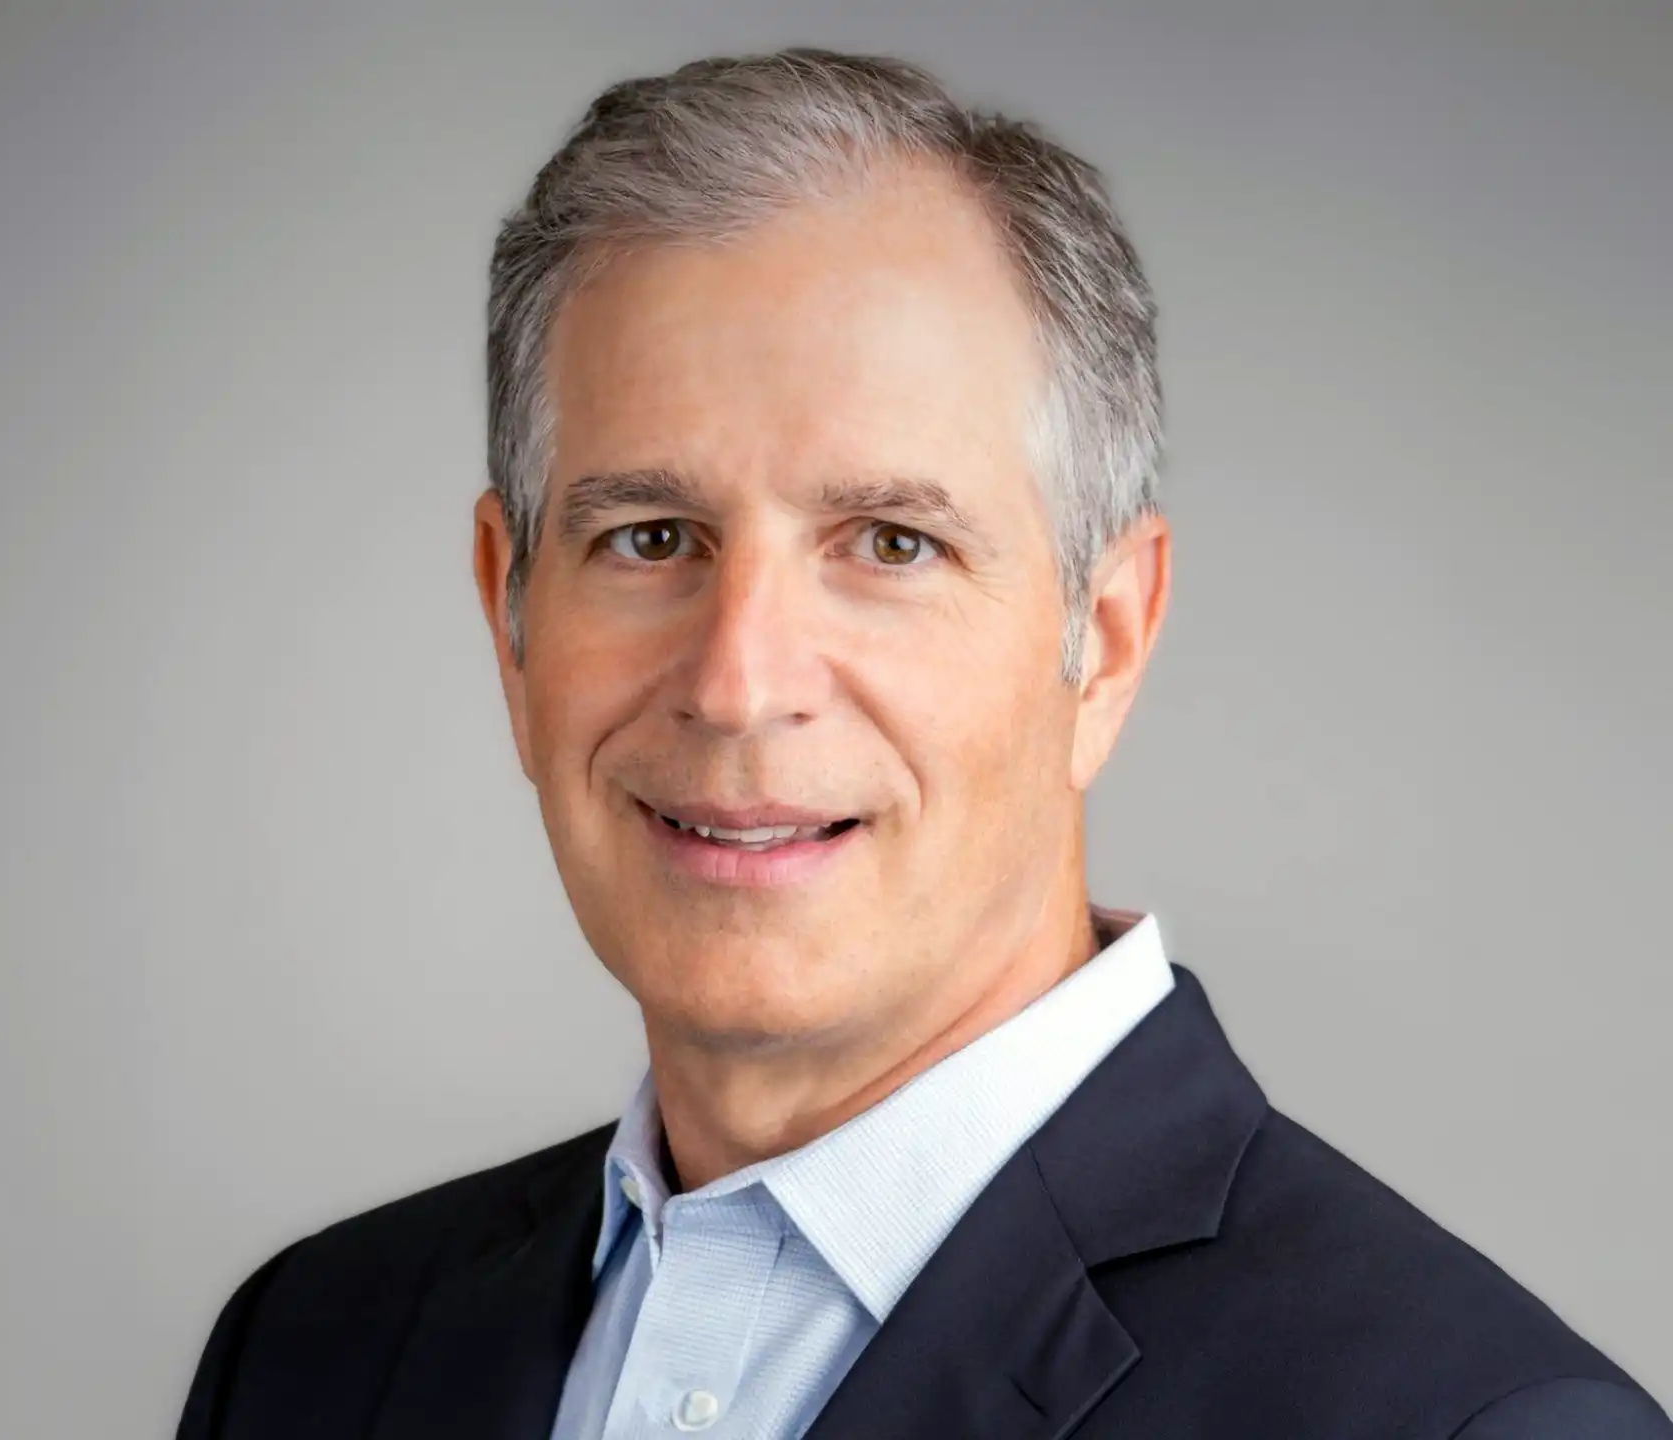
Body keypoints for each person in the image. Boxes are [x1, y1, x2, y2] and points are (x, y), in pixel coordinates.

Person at [175, 46, 1668, 1440]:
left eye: (890, 542)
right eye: (649, 538)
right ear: (511, 615)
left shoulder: (1474, 1422)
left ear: (1111, 639)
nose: (741, 682)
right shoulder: (315, 1350)